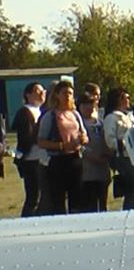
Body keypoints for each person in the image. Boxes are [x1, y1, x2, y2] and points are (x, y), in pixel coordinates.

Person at [36, 80, 87, 215]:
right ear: (57, 95)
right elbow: (41, 141)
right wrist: (61, 146)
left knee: (77, 197)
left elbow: (84, 133)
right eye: (64, 93)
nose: (68, 96)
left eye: (70, 93)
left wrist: (83, 139)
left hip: (75, 158)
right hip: (58, 161)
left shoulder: (75, 114)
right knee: (58, 199)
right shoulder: (50, 116)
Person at [103, 87, 134, 210]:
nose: (127, 100)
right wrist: (124, 143)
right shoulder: (111, 117)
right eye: (124, 98)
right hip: (123, 157)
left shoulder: (130, 116)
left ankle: (133, 210)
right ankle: (132, 212)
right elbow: (109, 140)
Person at [13, 81, 45, 216]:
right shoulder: (25, 112)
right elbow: (26, 138)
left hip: (42, 159)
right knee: (33, 196)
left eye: (43, 90)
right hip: (31, 160)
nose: (42, 93)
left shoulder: (42, 111)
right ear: (28, 95)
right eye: (38, 91)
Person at [78, 94, 110, 212]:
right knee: (90, 205)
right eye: (86, 104)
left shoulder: (100, 123)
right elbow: (79, 146)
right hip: (87, 171)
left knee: (102, 204)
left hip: (103, 170)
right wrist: (91, 156)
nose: (89, 107)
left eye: (92, 104)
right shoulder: (79, 123)